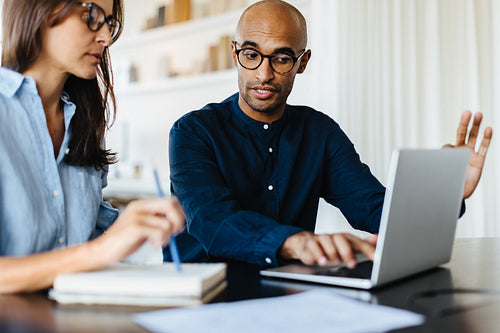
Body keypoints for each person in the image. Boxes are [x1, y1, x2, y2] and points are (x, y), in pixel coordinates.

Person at [168, 0, 492, 268]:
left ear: (302, 61)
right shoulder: (192, 132)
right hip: (205, 297)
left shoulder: (319, 132)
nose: (264, 74)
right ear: (235, 52)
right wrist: (297, 242)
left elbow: (372, 207)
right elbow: (213, 220)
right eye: (251, 55)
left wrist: (446, 193)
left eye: (281, 58)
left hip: (288, 294)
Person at [0, 0, 185, 293]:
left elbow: (89, 224)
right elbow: (96, 250)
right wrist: (101, 250)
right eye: (91, 16)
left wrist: (139, 224)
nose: (106, 38)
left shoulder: (85, 121)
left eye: (108, 22)